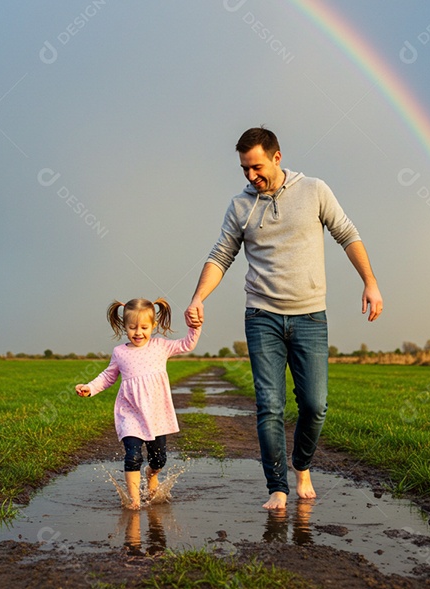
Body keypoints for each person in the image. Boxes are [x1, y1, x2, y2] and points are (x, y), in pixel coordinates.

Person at [184, 127, 383, 510]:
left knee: (314, 405)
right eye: (244, 169)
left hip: (310, 316)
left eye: (256, 167)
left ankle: (302, 464)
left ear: (277, 157)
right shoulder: (240, 206)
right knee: (269, 405)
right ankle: (277, 487)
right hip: (262, 317)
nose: (250, 176)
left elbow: (347, 234)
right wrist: (198, 297)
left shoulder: (315, 191)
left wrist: (370, 283)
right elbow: (221, 254)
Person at [76, 298, 201, 509]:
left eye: (144, 327)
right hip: (130, 413)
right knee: (132, 456)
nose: (138, 332)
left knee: (159, 459)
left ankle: (152, 475)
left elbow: (186, 344)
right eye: (132, 327)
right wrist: (90, 388)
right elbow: (108, 377)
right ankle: (133, 500)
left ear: (153, 326)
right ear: (124, 326)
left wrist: (194, 327)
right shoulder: (120, 352)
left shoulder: (161, 346)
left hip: (156, 415)